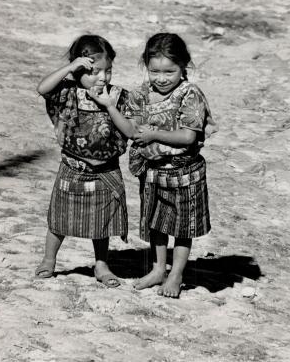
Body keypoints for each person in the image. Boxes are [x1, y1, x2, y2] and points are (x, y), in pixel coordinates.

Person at [89, 33, 217, 298]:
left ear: (184, 67)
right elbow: (131, 130)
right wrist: (110, 108)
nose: (161, 78)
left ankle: (177, 274)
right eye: (154, 71)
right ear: (146, 66)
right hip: (153, 173)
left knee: (183, 228)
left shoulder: (190, 94)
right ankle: (159, 268)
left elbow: (187, 136)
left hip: (185, 173)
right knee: (157, 223)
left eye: (169, 71)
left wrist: (154, 134)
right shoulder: (140, 95)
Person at [35, 35, 129, 288]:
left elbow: (130, 129)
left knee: (103, 222)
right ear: (79, 70)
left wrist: (109, 106)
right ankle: (48, 259)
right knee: (60, 218)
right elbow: (43, 88)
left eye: (107, 71)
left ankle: (101, 264)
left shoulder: (117, 97)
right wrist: (70, 67)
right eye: (94, 72)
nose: (102, 78)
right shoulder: (66, 93)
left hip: (106, 170)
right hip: (73, 168)